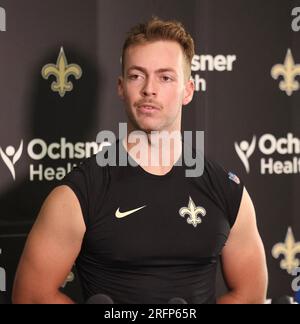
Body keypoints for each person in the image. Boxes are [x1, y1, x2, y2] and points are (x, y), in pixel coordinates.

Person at [12, 17, 268, 304]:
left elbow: (250, 294)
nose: (149, 89)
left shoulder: (227, 191)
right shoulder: (77, 194)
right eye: (137, 75)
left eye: (165, 77)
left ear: (188, 91)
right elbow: (32, 296)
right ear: (121, 87)